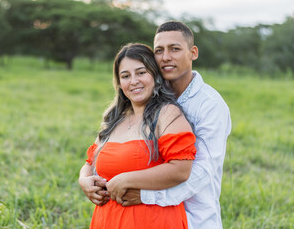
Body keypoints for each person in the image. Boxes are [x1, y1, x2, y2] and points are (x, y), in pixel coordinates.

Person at [80, 21, 232, 229]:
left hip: (195, 218)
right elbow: (98, 157)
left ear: (193, 53)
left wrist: (145, 195)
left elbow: (201, 173)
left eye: (175, 49)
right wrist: (85, 179)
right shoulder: (141, 102)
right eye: (159, 50)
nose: (166, 57)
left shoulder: (209, 105)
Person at [78, 43, 197, 228]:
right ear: (119, 83)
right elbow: (90, 162)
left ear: (155, 76)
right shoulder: (114, 120)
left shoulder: (168, 114)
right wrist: (84, 180)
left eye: (141, 73)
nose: (133, 81)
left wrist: (127, 179)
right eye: (125, 76)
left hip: (153, 221)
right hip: (107, 220)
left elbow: (181, 170)